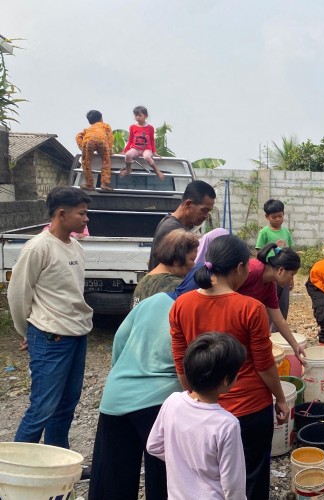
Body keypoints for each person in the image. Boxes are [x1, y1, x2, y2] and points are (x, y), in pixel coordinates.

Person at [170, 235, 288, 500]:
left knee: (209, 479)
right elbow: (264, 364)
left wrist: (195, 400)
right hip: (249, 409)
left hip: (203, 410)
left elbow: (181, 363)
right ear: (239, 268)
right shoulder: (250, 308)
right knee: (251, 479)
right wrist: (280, 399)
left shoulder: (181, 305)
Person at [8, 186, 93, 449]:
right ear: (61, 214)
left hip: (77, 334)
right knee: (42, 408)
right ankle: (17, 472)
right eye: (81, 213)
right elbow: (18, 293)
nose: (86, 219)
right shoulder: (38, 247)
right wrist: (28, 332)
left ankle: (58, 462)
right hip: (51, 337)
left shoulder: (75, 247)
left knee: (66, 405)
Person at [89, 290, 186, 500]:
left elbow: (120, 340)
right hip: (163, 400)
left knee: (111, 483)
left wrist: (121, 374)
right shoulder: (195, 307)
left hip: (117, 397)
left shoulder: (153, 301)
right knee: (164, 481)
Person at [147, 333, 247, 500]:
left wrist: (181, 462)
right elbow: (233, 486)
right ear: (225, 380)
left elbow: (153, 446)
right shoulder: (227, 424)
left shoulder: (172, 402)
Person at [237, 242, 306, 362]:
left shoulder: (269, 287)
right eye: (292, 275)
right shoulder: (252, 270)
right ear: (281, 270)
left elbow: (279, 320)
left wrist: (295, 346)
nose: (291, 280)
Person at [148, 180, 216, 270]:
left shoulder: (173, 223)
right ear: (188, 204)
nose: (206, 216)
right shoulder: (173, 229)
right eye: (204, 210)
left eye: (209, 211)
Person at [132, 229, 198, 308]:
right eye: (192, 260)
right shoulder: (177, 286)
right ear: (177, 259)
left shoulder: (143, 282)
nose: (194, 265)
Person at [255, 199, 294, 330]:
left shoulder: (286, 232)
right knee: (269, 304)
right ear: (267, 217)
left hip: (285, 275)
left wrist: (291, 278)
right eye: (274, 217)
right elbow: (259, 254)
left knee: (283, 304)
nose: (278, 219)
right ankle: (266, 331)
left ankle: (278, 333)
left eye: (280, 216)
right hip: (271, 275)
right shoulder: (264, 233)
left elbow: (290, 253)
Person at [120, 105, 164, 180]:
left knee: (147, 157)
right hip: (135, 149)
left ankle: (157, 171)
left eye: (140, 115)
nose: (137, 117)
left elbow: (152, 140)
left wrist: (154, 152)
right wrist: (125, 150)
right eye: (136, 116)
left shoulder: (150, 128)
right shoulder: (132, 127)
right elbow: (130, 140)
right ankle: (128, 169)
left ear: (145, 116)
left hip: (146, 149)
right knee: (128, 155)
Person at [75, 109, 114, 191]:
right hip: (102, 140)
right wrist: (109, 148)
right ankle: (104, 184)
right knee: (106, 161)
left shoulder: (88, 129)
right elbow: (110, 137)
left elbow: (78, 136)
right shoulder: (105, 125)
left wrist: (82, 147)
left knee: (86, 161)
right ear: (101, 119)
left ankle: (89, 184)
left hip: (89, 141)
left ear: (89, 122)